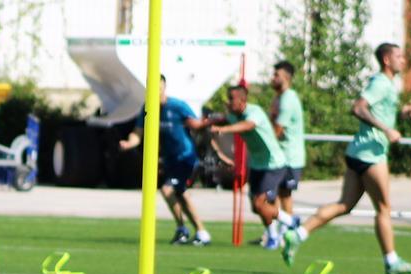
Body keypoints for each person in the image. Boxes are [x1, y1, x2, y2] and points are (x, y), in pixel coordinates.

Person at [282, 43, 411, 274]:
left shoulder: (386, 84)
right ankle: (391, 262)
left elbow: (377, 112)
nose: (403, 60)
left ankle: (297, 234)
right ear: (387, 60)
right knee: (384, 209)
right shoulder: (380, 83)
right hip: (371, 155)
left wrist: (400, 115)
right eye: (398, 56)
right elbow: (358, 107)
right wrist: (387, 130)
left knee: (344, 205)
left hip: (358, 152)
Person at [119, 75, 214, 245]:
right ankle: (197, 232)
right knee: (179, 194)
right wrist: (129, 143)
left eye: (159, 87)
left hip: (185, 157)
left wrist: (210, 123)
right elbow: (138, 133)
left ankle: (187, 230)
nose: (156, 91)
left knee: (168, 190)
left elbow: (195, 125)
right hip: (170, 159)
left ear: (164, 87)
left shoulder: (177, 106)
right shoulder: (148, 108)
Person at [211, 85, 299, 248]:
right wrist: (203, 123)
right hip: (257, 164)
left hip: (273, 164)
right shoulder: (233, 116)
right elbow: (221, 120)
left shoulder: (254, 112)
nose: (228, 102)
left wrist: (223, 129)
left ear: (243, 100)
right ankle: (277, 231)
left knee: (260, 203)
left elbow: (248, 125)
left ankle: (288, 223)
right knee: (256, 207)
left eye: (231, 98)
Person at [270, 60, 306, 220]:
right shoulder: (278, 98)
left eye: (276, 75)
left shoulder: (288, 99)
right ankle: (274, 231)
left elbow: (277, 130)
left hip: (290, 157)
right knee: (272, 194)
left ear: (286, 77)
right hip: (280, 156)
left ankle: (288, 229)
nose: (273, 78)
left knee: (284, 194)